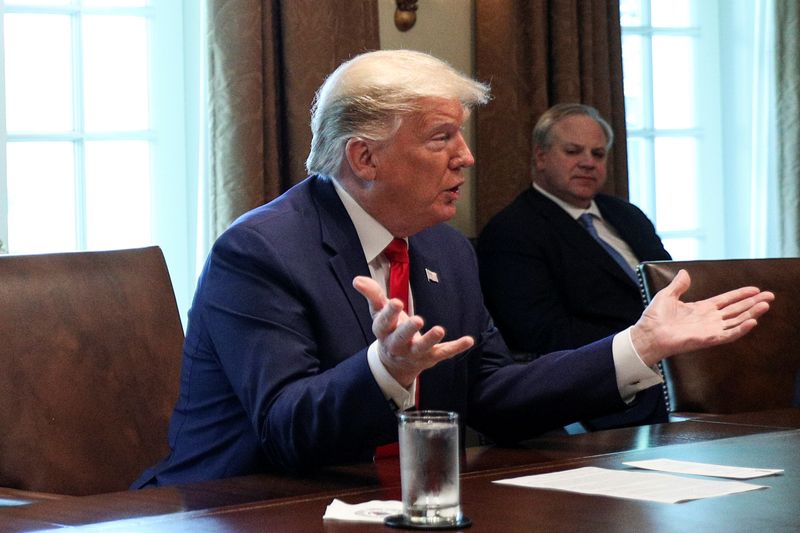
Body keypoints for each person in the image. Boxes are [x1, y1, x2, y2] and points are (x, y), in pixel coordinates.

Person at [133, 50, 773, 488]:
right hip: (237, 507)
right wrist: (383, 370)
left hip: (403, 502)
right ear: (365, 157)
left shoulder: (444, 249)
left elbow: (492, 391)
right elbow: (285, 431)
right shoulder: (261, 251)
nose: (466, 158)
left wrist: (636, 346)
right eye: (441, 138)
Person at [477, 103, 671, 430]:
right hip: (600, 382)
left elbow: (668, 283)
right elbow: (541, 333)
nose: (587, 162)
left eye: (598, 154)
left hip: (669, 366)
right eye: (573, 151)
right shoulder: (513, 230)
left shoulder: (627, 215)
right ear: (540, 157)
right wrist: (643, 343)